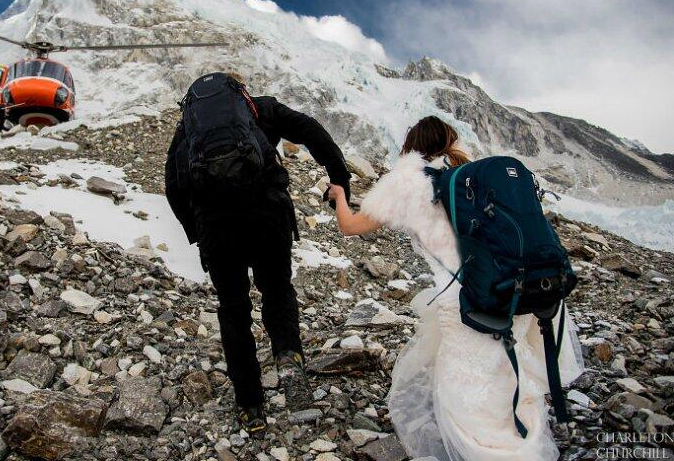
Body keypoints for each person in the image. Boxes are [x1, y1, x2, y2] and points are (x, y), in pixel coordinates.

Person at [326, 116, 584, 461]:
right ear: (450, 141)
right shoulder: (473, 178)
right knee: (509, 377)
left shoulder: (406, 182)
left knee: (466, 396)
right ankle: (526, 440)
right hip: (514, 289)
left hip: (466, 303)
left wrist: (341, 195)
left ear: (410, 147)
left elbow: (350, 226)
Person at [165, 71, 351, 435]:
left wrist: (197, 232)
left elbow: (174, 186)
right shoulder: (259, 110)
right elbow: (312, 130)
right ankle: (287, 354)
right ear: (240, 92)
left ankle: (250, 407)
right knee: (277, 288)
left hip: (217, 230)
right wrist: (339, 178)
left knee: (234, 310)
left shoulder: (187, 131)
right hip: (268, 214)